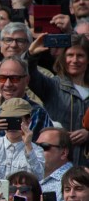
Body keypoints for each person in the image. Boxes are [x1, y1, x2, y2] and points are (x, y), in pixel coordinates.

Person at [27, 34, 89, 166]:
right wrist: (31, 55)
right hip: (58, 164)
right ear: (63, 58)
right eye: (70, 55)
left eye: (80, 55)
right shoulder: (52, 86)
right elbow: (28, 75)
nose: (74, 60)